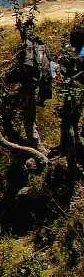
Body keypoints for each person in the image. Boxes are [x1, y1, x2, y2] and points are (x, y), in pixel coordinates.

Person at [59, 25, 84, 171]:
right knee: (73, 122)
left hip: (72, 92)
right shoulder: (80, 51)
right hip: (78, 91)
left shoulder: (72, 53)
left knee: (69, 122)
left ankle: (71, 154)